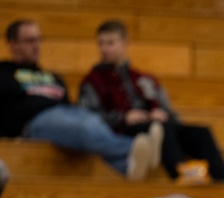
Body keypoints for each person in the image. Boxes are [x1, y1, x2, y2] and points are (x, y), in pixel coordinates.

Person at [79, 20, 224, 182]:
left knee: (200, 133)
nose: (104, 49)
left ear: (125, 43)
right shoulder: (92, 81)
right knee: (161, 130)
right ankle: (181, 175)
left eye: (110, 43)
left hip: (158, 126)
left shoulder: (145, 78)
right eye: (101, 44)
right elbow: (88, 117)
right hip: (123, 129)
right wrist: (123, 117)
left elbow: (168, 110)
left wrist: (162, 113)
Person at [1, 20, 155, 180]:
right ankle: (133, 148)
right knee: (82, 128)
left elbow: (67, 105)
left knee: (93, 120)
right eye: (30, 41)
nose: (36, 45)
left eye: (39, 39)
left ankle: (125, 165)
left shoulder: (53, 76)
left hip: (64, 113)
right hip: (34, 122)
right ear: (13, 44)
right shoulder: (3, 73)